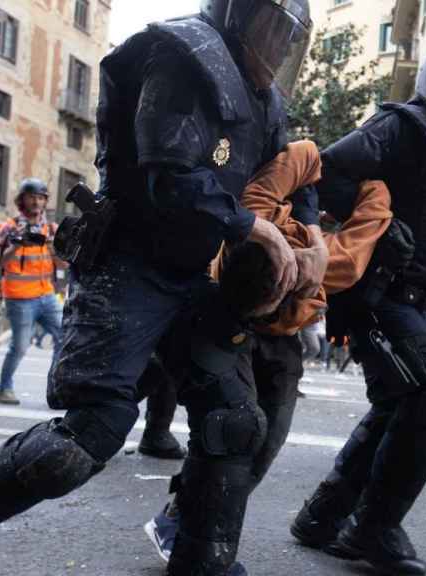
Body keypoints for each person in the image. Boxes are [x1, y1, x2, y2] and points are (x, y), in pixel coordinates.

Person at [0, 1, 316, 574]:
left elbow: (291, 170)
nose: (275, 48)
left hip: (196, 276)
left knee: (235, 420)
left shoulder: (266, 99)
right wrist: (254, 228)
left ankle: (204, 561)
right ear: (235, 15)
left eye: (286, 37)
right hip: (130, 263)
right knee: (78, 443)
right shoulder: (180, 53)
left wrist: (309, 239)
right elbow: (168, 174)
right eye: (268, 29)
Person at [290, 38, 426, 575]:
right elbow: (323, 173)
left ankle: (322, 517)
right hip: (378, 295)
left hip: (415, 302)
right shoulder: (402, 127)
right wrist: (375, 224)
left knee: (398, 405)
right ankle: (372, 529)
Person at [144, 139, 397, 568]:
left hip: (283, 340)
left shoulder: (325, 260)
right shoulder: (253, 221)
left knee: (267, 440)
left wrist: (315, 233)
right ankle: (187, 528)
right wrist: (372, 194)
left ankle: (185, 517)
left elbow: (307, 151)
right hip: (228, 321)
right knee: (236, 430)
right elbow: (369, 212)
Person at [0, 178, 64, 404]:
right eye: (32, 196)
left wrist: (53, 247)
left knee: (66, 338)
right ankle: (4, 389)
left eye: (41, 197)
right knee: (20, 346)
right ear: (22, 200)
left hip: (47, 295)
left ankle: (57, 389)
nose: (36, 201)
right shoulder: (9, 227)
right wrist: (17, 245)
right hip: (20, 297)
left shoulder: (51, 228)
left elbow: (63, 265)